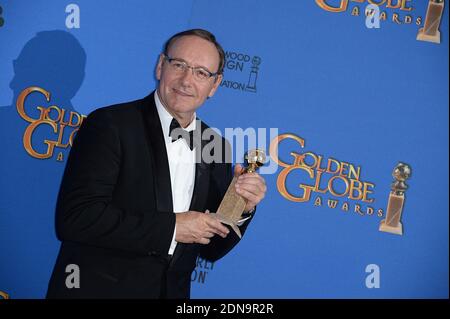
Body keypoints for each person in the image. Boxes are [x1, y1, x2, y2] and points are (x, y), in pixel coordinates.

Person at [46, 29, 266, 298]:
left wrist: (243, 205)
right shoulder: (110, 124)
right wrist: (173, 227)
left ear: (215, 85)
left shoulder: (216, 146)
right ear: (161, 65)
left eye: (201, 73)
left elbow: (211, 249)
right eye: (179, 65)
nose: (186, 80)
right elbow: (76, 219)